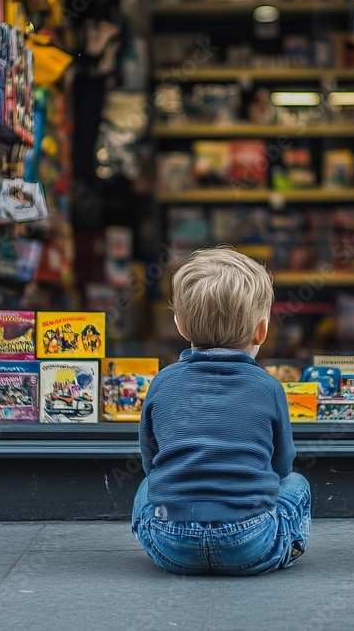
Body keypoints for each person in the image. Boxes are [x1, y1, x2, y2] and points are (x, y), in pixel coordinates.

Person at [132, 246, 311, 575]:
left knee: (147, 487)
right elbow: (282, 466)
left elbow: (150, 459)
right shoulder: (269, 387)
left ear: (180, 327)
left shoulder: (162, 382)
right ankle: (286, 544)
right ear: (261, 331)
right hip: (249, 543)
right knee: (297, 483)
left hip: (173, 544)